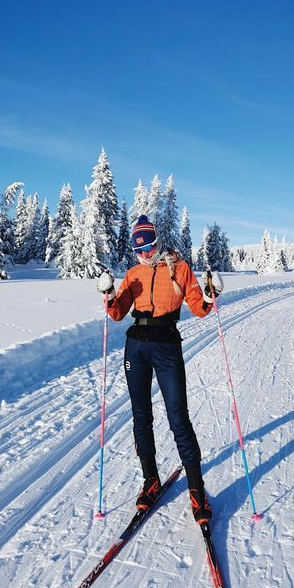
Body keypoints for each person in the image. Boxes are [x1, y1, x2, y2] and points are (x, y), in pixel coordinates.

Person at [97, 214, 223, 524]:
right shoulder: (133, 273)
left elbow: (198, 307)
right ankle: (150, 479)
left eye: (149, 247)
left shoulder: (179, 269)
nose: (145, 254)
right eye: (139, 250)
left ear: (157, 242)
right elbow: (116, 313)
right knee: (141, 415)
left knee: (178, 416)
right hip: (136, 347)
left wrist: (209, 294)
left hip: (167, 345)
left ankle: (196, 490)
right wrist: (109, 293)